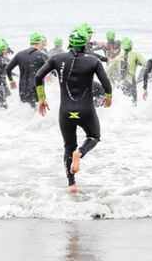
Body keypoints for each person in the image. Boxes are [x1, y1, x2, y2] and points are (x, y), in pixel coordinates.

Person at [35, 27, 113, 193]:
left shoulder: (56, 58)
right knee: (94, 136)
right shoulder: (93, 60)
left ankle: (71, 184)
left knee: (68, 146)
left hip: (65, 111)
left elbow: (38, 76)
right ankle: (81, 153)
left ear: (70, 42)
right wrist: (108, 98)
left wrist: (42, 99)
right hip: (86, 110)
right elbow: (106, 84)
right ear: (85, 43)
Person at [6, 32, 49, 107]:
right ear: (40, 42)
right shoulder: (42, 56)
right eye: (43, 43)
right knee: (38, 113)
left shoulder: (19, 54)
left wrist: (11, 80)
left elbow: (7, 69)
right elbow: (55, 69)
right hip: (36, 90)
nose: (44, 45)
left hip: (22, 90)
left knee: (25, 112)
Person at [118, 37, 146, 105]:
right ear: (131, 46)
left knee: (123, 105)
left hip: (121, 84)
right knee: (133, 104)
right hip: (131, 82)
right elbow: (146, 65)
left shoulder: (119, 57)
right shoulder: (135, 55)